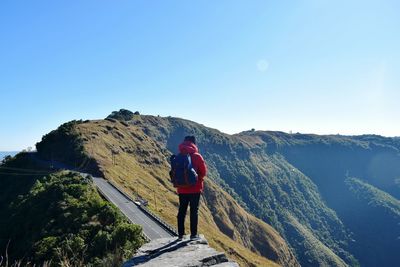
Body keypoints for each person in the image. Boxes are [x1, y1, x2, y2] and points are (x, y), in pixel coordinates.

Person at [176, 135, 207, 240]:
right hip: (195, 189)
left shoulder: (179, 155)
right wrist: (198, 179)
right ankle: (193, 235)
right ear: (194, 143)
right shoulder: (197, 156)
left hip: (182, 188)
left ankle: (181, 234)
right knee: (194, 211)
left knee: (182, 210)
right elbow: (203, 172)